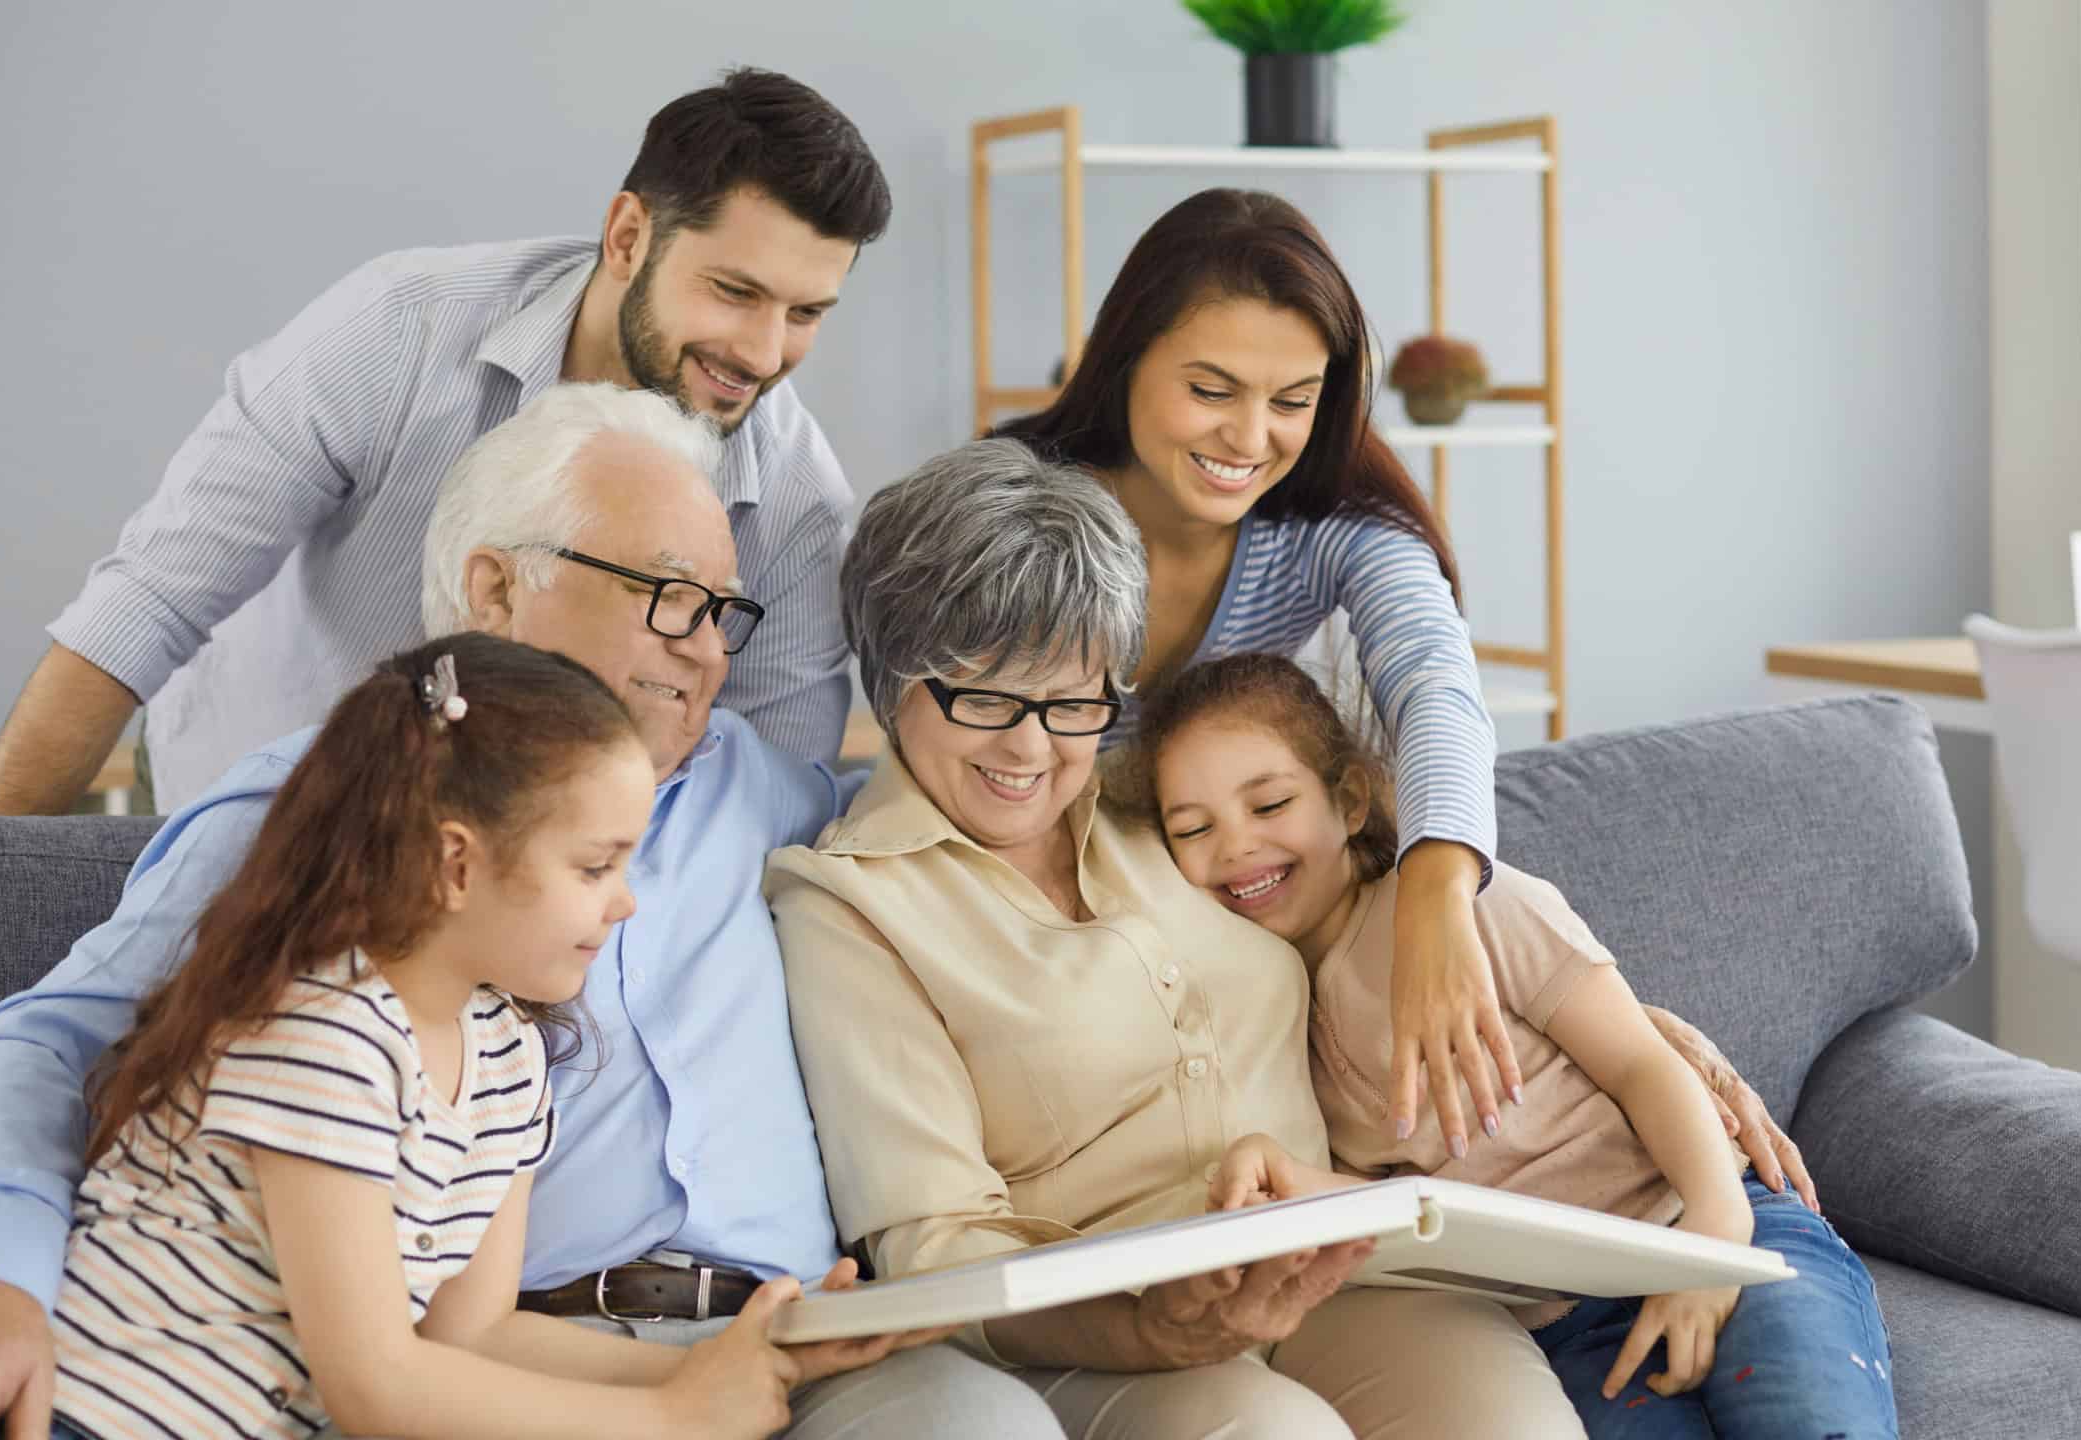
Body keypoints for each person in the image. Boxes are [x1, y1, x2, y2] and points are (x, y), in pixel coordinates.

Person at [0, 385, 1059, 1440]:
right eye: (670, 599)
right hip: (485, 1367)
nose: (706, 653)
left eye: (724, 614)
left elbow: (983, 837)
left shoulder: (771, 802)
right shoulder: (324, 811)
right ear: (497, 586)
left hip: (783, 1344)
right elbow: (43, 1046)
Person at [766, 440, 1803, 1440]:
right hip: (1115, 1324)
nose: (1032, 748)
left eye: (1072, 699)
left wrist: (1633, 1032)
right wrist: (1150, 1328)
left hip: (1346, 1261)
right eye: (986, 698)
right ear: (893, 678)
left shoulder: (1157, 807)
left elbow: (1356, 916)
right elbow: (935, 1247)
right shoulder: (848, 904)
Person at [0, 67, 888, 814]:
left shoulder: (796, 502)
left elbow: (764, 794)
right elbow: (143, 610)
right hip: (250, 803)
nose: (764, 354)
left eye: (806, 312)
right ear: (626, 236)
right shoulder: (396, 331)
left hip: (536, 889)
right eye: (734, 291)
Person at [48, 632, 807, 1440]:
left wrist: (738, 1363)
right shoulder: (324, 1032)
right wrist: (671, 1418)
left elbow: (474, 1335)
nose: (626, 905)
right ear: (457, 864)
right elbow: (375, 1386)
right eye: (595, 868)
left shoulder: (507, 1056)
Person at [1137, 652, 1899, 1440]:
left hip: (1706, 1221)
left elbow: (1643, 1064)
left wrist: (1714, 1232)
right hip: (1569, 1320)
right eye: (1192, 828)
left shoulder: (1469, 910)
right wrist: (1290, 1179)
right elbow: (1415, 1207)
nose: (1235, 846)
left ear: (1350, 800)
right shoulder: (1272, 1016)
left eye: (1268, 804)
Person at [994, 187, 1520, 1160]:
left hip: (1201, 914)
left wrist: (1438, 893)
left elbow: (1434, 687)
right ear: (1125, 362)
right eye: (1210, 390)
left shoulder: (1332, 530)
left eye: (1291, 402)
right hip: (1030, 910)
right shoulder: (1014, 504)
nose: (1248, 440)